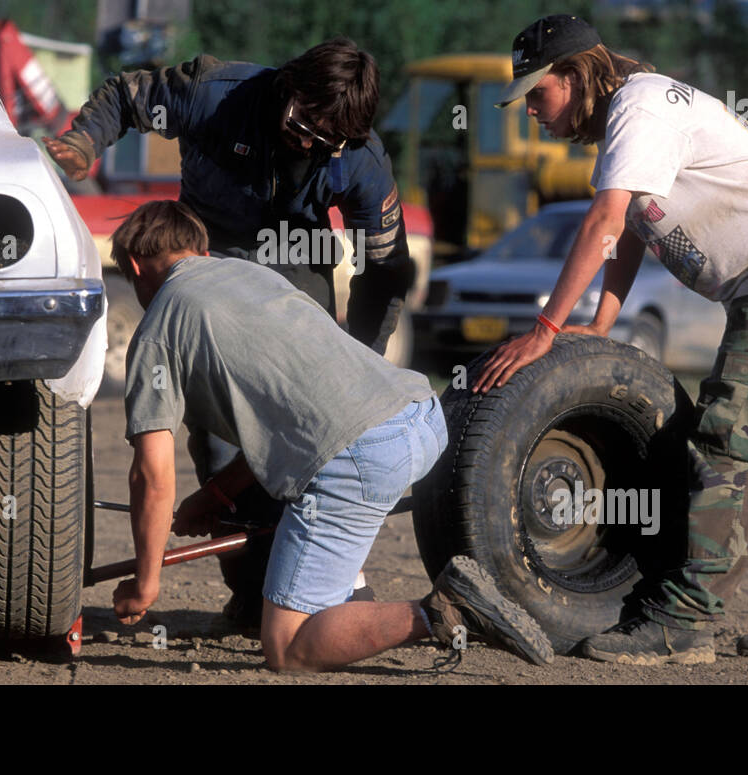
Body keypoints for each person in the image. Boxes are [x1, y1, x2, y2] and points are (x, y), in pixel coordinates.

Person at [479, 13, 748, 665]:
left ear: (574, 75)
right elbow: (630, 225)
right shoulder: (640, 109)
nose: (532, 115)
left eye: (537, 96)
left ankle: (682, 625)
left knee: (732, 442)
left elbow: (605, 216)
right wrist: (601, 321)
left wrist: (546, 328)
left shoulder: (639, 104)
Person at [46, 38, 412, 626]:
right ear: (286, 85)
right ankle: (252, 592)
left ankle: (314, 583)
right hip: (204, 260)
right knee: (220, 443)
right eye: (300, 124)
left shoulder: (362, 160)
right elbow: (126, 96)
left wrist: (361, 359)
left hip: (296, 269)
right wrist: (82, 143)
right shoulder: (215, 96)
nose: (305, 143)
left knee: (304, 422)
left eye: (325, 142)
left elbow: (386, 268)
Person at [107, 199, 554, 672]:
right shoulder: (252, 276)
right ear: (197, 249)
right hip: (419, 416)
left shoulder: (158, 328)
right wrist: (217, 494)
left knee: (287, 647)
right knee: (315, 508)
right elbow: (301, 416)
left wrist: (146, 581)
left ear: (135, 266)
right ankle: (350, 595)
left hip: (361, 455)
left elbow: (151, 477)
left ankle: (444, 613)